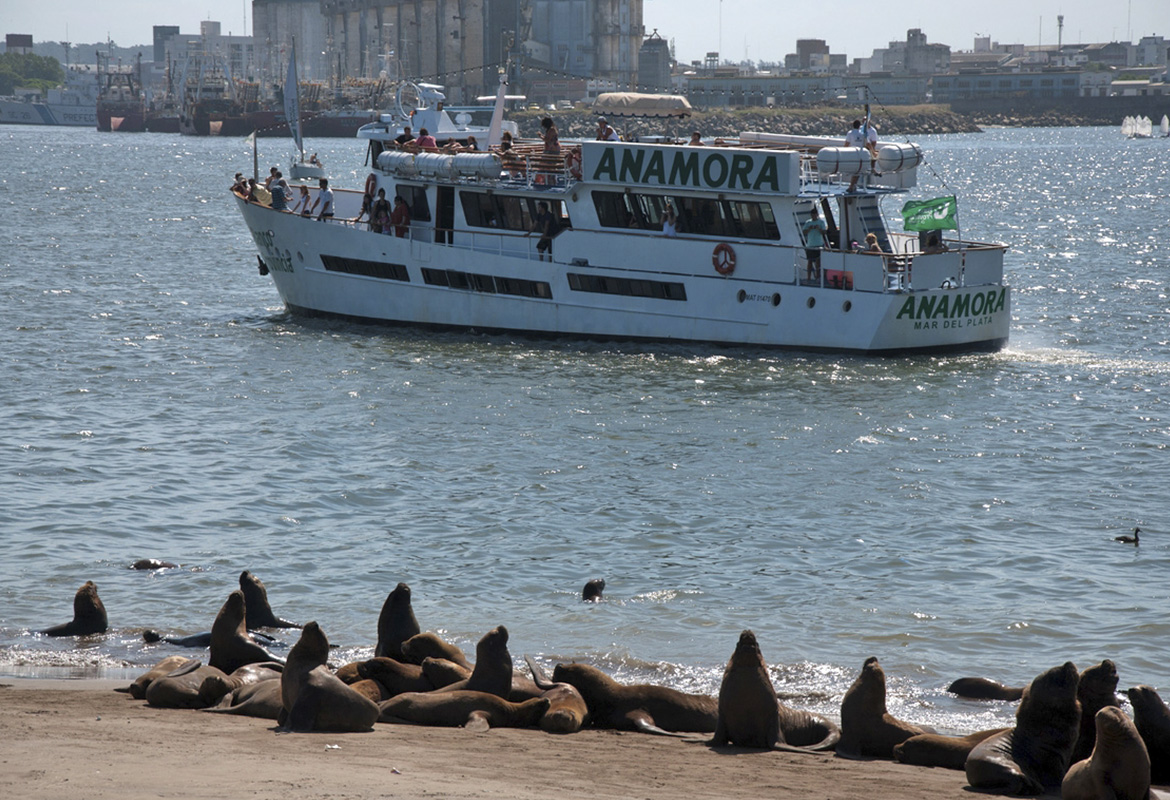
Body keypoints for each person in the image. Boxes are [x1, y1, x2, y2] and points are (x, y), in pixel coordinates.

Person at [801, 207, 827, 281]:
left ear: (817, 215)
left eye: (815, 215)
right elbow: (804, 232)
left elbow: (824, 232)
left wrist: (819, 229)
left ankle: (817, 277)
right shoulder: (808, 222)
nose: (813, 216)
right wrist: (809, 228)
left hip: (819, 244)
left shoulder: (821, 222)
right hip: (810, 245)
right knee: (809, 262)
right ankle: (808, 277)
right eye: (812, 215)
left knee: (818, 262)